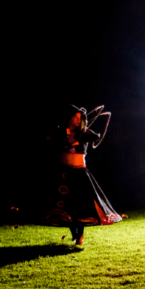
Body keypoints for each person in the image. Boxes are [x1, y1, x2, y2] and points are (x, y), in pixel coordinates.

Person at [40, 105, 121, 245]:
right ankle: (75, 233)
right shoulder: (60, 132)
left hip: (80, 173)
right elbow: (49, 139)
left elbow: (96, 136)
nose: (78, 120)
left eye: (80, 118)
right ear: (70, 118)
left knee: (81, 206)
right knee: (68, 207)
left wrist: (84, 134)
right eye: (75, 117)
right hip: (64, 174)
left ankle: (80, 236)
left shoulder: (84, 133)